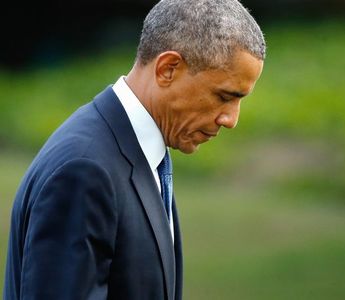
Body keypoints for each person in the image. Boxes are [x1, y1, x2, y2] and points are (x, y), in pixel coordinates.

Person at [3, 0, 265, 299]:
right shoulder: (85, 170)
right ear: (168, 69)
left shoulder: (138, 149)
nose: (231, 119)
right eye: (224, 96)